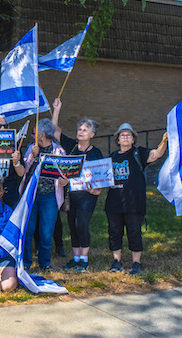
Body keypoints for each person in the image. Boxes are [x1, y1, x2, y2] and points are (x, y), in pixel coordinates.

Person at [105, 123, 167, 274]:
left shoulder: (139, 153)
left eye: (128, 135)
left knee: (134, 233)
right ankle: (116, 261)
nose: (125, 137)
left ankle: (136, 263)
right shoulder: (111, 157)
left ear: (133, 139)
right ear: (117, 140)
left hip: (134, 203)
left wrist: (164, 140)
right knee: (114, 232)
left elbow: (157, 154)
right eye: (122, 135)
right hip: (114, 203)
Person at [51, 98, 103, 272]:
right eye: (79, 129)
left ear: (92, 135)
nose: (81, 132)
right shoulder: (71, 146)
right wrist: (56, 110)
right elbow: (53, 132)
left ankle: (84, 259)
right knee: (72, 224)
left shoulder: (96, 153)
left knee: (82, 223)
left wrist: (97, 189)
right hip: (71, 193)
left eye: (85, 130)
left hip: (88, 195)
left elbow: (101, 174)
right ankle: (75, 258)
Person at [22, 119, 68, 272]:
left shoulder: (58, 151)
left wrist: (64, 181)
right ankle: (26, 263)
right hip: (31, 196)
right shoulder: (31, 148)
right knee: (28, 230)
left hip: (50, 197)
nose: (32, 135)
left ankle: (44, 263)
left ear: (41, 135)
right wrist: (32, 156)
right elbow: (24, 170)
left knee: (46, 232)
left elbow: (65, 173)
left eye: (34, 133)